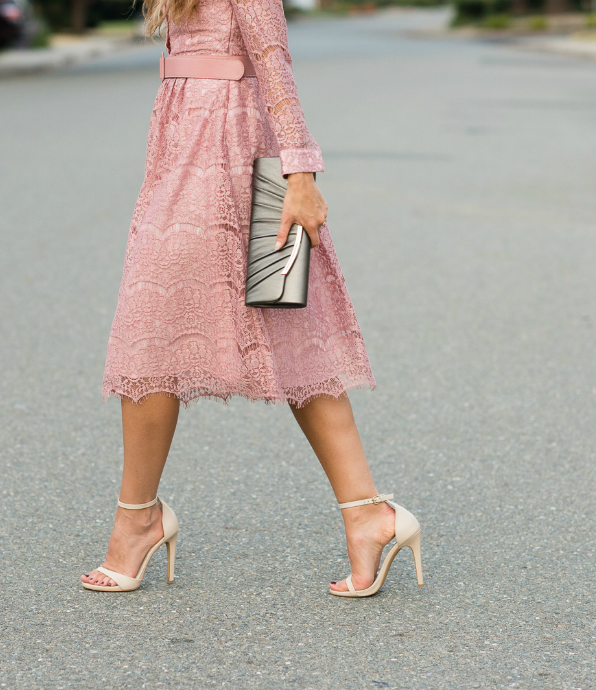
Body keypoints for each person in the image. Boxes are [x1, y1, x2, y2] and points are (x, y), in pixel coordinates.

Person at [81, 0, 422, 597]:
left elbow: (274, 63)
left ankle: (139, 519)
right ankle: (367, 514)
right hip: (181, 145)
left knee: (163, 328)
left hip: (231, 154)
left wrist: (301, 177)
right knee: (240, 332)